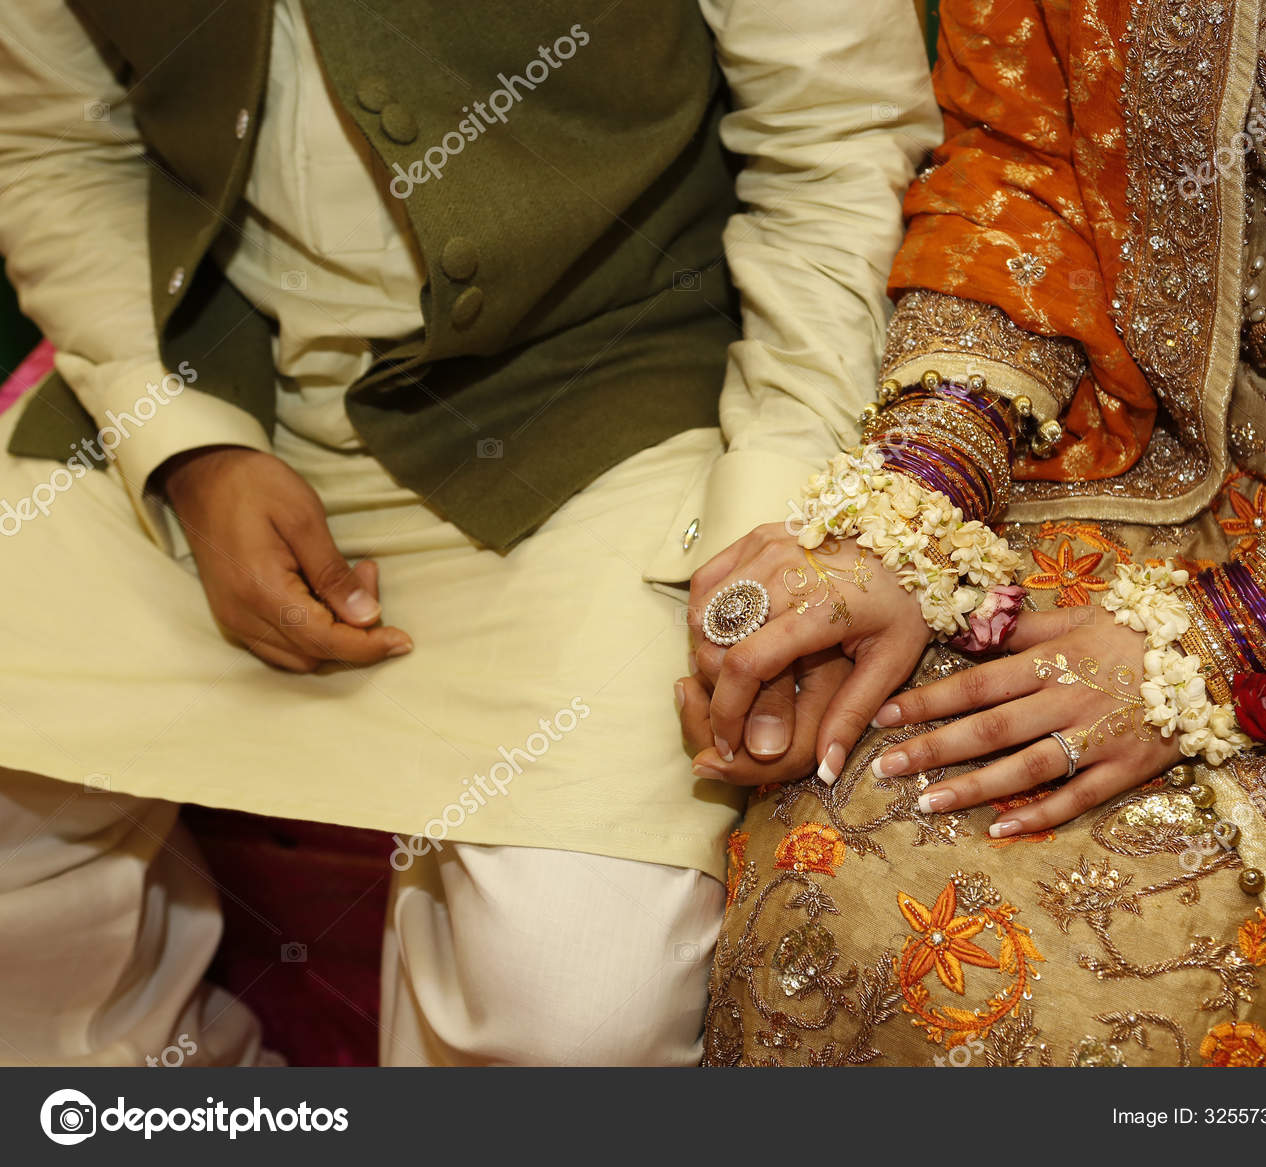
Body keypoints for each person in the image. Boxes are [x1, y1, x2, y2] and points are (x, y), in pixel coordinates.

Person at [0, 0, 940, 1065]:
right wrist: (184, 445)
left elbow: (834, 143)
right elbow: (52, 144)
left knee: (576, 1008)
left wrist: (773, 516)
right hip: (202, 368)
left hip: (611, 397)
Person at [682, 0, 1266, 1064]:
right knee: (833, 839)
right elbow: (1031, 161)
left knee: (1096, 1006)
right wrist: (915, 496)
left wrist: (1239, 629)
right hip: (1117, 439)